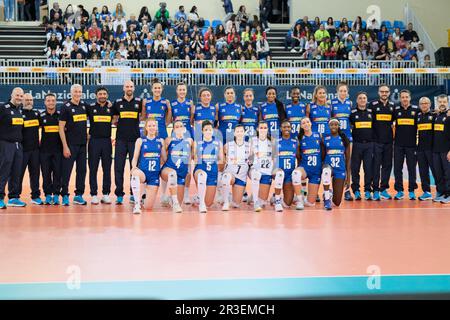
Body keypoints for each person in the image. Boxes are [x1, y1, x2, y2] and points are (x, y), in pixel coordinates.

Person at [112, 80, 145, 205]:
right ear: (123, 88)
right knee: (118, 168)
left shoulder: (139, 102)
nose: (129, 88)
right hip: (120, 140)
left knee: (134, 168)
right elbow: (114, 119)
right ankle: (119, 194)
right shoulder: (118, 103)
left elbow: (143, 117)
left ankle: (133, 193)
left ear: (134, 88)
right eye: (127, 86)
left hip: (135, 140)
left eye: (131, 86)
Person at [59, 84, 88, 206]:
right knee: (66, 171)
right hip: (70, 145)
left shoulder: (84, 106)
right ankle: (65, 194)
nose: (77, 93)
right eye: (75, 91)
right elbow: (60, 128)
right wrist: (65, 146)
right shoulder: (65, 107)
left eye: (79, 91)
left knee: (82, 171)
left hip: (82, 145)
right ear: (71, 93)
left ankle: (78, 195)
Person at [130, 118, 166, 214]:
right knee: (135, 174)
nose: (151, 128)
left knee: (148, 207)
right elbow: (135, 157)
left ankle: (143, 198)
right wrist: (133, 167)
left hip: (154, 176)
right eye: (149, 126)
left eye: (153, 125)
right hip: (143, 172)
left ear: (156, 127)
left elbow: (164, 159)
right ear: (146, 127)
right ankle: (137, 204)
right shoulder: (140, 140)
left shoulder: (160, 141)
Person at [86, 87, 113, 205]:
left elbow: (118, 118)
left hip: (107, 142)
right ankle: (93, 194)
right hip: (94, 142)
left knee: (107, 169)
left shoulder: (111, 108)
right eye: (100, 94)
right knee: (93, 169)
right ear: (96, 95)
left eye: (104, 94)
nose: (102, 96)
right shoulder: (90, 108)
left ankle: (106, 194)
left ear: (107, 95)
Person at [170, 82, 195, 205]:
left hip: (188, 137)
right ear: (177, 91)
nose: (182, 91)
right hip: (175, 137)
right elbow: (169, 120)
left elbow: (191, 120)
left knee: (188, 167)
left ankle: (186, 194)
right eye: (180, 89)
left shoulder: (190, 104)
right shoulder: (172, 104)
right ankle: (170, 195)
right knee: (173, 165)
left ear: (185, 91)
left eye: (184, 89)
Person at [160, 120, 193, 213]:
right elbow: (163, 157)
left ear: (184, 129)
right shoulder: (169, 140)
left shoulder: (189, 141)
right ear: (173, 129)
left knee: (180, 201)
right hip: (168, 169)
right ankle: (171, 200)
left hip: (181, 173)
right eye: (177, 127)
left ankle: (171, 198)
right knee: (172, 174)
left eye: (181, 126)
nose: (179, 128)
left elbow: (191, 157)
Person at [0, 88, 24, 209]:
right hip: (5, 144)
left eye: (21, 95)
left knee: (16, 172)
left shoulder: (19, 110)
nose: (19, 97)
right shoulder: (3, 108)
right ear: (11, 95)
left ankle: (13, 197)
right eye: (17, 95)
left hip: (18, 145)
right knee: (3, 171)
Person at [369, 84, 395, 200]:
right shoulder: (373, 105)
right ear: (379, 93)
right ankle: (375, 190)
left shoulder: (393, 106)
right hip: (376, 142)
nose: (384, 93)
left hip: (389, 142)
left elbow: (395, 122)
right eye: (382, 91)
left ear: (389, 93)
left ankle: (383, 189)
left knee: (387, 166)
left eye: (386, 91)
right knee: (376, 166)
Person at [193, 120, 224, 213]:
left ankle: (200, 197)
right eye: (206, 130)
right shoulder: (197, 142)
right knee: (202, 175)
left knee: (209, 203)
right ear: (202, 131)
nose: (208, 131)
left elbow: (221, 160)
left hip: (212, 172)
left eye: (210, 129)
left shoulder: (218, 142)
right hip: (200, 169)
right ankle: (201, 204)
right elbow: (194, 159)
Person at [392, 90, 418, 200]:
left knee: (412, 168)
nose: (404, 99)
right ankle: (399, 191)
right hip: (398, 145)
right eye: (402, 97)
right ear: (400, 98)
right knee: (397, 168)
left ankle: (411, 191)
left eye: (406, 97)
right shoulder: (396, 110)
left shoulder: (416, 110)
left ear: (410, 98)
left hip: (412, 145)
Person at [272, 120, 303, 212]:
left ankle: (276, 198)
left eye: (288, 127)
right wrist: (274, 170)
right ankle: (277, 200)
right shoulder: (276, 141)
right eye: (284, 127)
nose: (286, 129)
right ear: (281, 129)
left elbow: (298, 157)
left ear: (291, 128)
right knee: (280, 174)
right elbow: (273, 158)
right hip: (279, 171)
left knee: (287, 203)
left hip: (289, 174)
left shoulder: (295, 141)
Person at [349, 92, 374, 201]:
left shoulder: (371, 112)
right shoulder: (352, 113)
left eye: (364, 98)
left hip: (369, 145)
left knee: (368, 168)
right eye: (360, 98)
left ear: (366, 100)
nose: (362, 100)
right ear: (357, 100)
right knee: (355, 169)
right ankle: (356, 191)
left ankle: (368, 190)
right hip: (357, 144)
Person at [18, 93, 42, 205]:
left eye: (30, 100)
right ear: (22, 101)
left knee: (35, 174)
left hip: (35, 150)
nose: (29, 102)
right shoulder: (19, 113)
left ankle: (35, 196)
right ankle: (15, 196)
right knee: (18, 174)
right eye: (26, 100)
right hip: (22, 150)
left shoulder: (37, 114)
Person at [331, 82, 353, 200]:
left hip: (348, 137)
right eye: (341, 91)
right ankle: (330, 188)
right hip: (336, 137)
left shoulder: (350, 103)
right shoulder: (332, 103)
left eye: (345, 91)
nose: (343, 93)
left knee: (348, 162)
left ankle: (347, 189)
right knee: (332, 162)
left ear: (347, 92)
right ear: (337, 92)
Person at [39, 93, 62, 205]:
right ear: (45, 102)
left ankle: (56, 195)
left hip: (58, 151)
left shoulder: (60, 115)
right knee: (46, 174)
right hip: (44, 151)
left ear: (56, 101)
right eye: (48, 100)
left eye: (53, 100)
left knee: (58, 173)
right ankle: (48, 195)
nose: (51, 102)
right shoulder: (41, 116)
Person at [323, 118, 351, 209]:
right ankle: (327, 197)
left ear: (339, 126)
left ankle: (330, 193)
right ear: (329, 126)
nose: (334, 126)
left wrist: (348, 177)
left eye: (336, 124)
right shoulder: (325, 138)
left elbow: (348, 159)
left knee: (337, 202)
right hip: (328, 167)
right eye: (332, 124)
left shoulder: (344, 139)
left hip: (340, 169)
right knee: (326, 171)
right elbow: (322, 156)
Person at [221, 125, 251, 210]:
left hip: (241, 176)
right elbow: (222, 159)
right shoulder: (227, 145)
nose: (239, 133)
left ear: (244, 133)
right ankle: (226, 201)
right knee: (226, 177)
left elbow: (251, 161)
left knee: (236, 204)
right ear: (234, 133)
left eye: (241, 131)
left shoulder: (249, 146)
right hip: (230, 173)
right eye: (237, 131)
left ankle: (231, 197)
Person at [297, 117, 324, 207]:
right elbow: (298, 155)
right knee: (296, 174)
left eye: (307, 122)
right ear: (301, 126)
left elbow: (323, 151)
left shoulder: (318, 135)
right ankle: (300, 197)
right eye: (303, 123)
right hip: (305, 168)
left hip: (316, 171)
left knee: (310, 203)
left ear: (311, 123)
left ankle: (306, 196)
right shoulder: (300, 138)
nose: (306, 124)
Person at [249, 121, 274, 211]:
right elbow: (249, 156)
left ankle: (254, 195)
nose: (263, 130)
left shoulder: (271, 141)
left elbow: (274, 158)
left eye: (265, 128)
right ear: (257, 129)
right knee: (256, 174)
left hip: (267, 171)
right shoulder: (252, 140)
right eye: (261, 128)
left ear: (267, 129)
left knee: (263, 202)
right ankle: (255, 203)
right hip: (255, 170)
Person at [416, 97, 436, 201]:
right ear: (419, 105)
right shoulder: (418, 116)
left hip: (432, 149)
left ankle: (441, 191)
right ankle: (426, 192)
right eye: (422, 103)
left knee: (436, 170)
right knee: (423, 171)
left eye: (426, 103)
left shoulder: (435, 115)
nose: (424, 105)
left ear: (430, 104)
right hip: (420, 149)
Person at [432, 95, 450, 203]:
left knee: (448, 173)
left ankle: (449, 194)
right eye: (440, 101)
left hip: (446, 151)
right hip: (436, 150)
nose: (442, 103)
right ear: (437, 102)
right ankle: (442, 192)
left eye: (444, 101)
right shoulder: (436, 116)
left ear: (447, 102)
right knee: (438, 173)